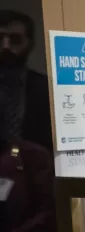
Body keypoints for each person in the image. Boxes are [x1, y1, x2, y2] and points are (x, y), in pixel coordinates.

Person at [0, 10, 52, 153]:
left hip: (35, 169)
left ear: (30, 44)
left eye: (15, 39)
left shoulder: (46, 89)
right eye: (0, 38)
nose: (5, 46)